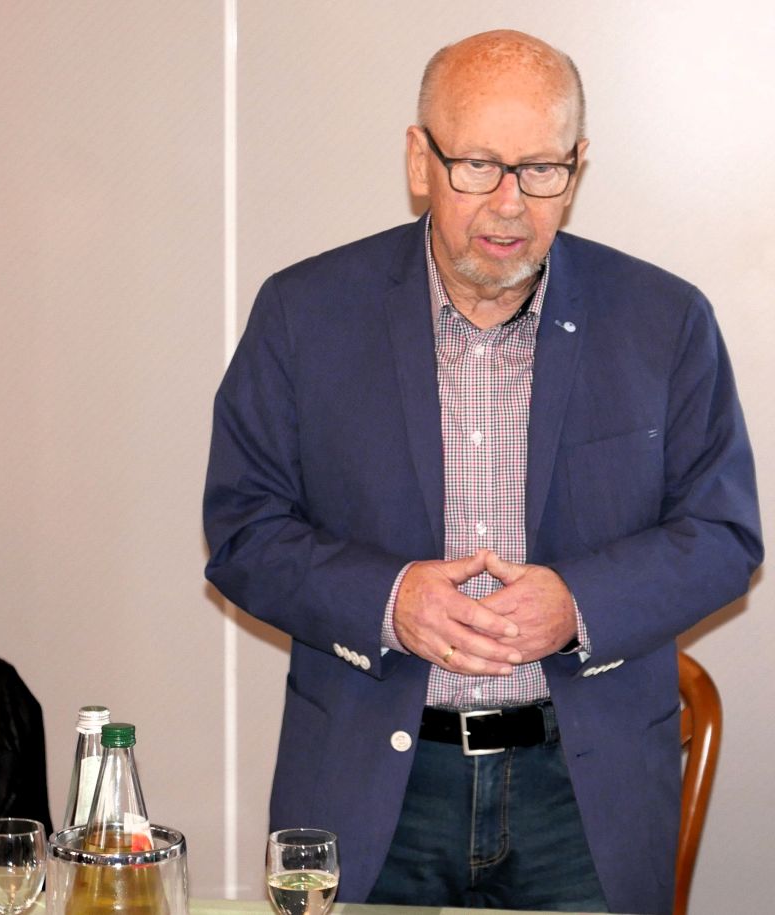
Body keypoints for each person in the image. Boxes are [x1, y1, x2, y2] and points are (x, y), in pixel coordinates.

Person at [203, 29, 761, 915]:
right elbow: (243, 529)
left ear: (576, 169)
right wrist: (391, 599)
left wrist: (578, 603)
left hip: (583, 790)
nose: (509, 203)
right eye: (477, 166)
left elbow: (725, 535)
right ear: (418, 159)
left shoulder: (664, 320)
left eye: (540, 169)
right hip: (373, 781)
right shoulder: (304, 313)